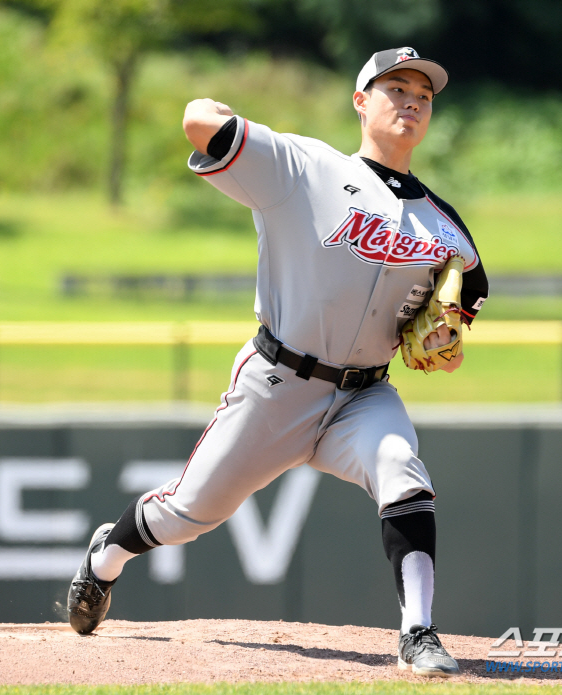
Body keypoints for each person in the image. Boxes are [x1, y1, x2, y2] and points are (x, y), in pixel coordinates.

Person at [67, 46, 489, 678]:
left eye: (423, 95)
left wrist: (447, 343)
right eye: (394, 88)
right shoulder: (301, 167)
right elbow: (198, 122)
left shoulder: (447, 228)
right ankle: (106, 557)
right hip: (278, 384)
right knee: (185, 515)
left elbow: (464, 307)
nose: (410, 102)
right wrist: (224, 118)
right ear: (360, 101)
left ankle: (418, 633)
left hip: (363, 397)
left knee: (402, 469)